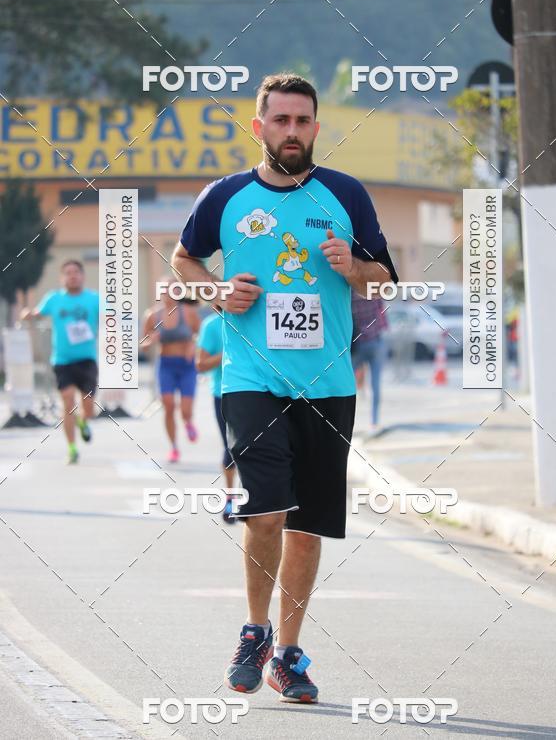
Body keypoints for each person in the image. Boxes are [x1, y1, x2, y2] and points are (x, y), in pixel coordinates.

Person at [172, 73, 398, 704]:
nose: (292, 132)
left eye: (303, 121)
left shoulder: (346, 194)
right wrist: (214, 292)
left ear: (316, 128)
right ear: (259, 126)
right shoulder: (227, 196)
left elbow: (385, 279)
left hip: (328, 385)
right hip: (251, 380)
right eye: (281, 121)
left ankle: (289, 653)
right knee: (265, 509)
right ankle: (254, 630)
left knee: (307, 525)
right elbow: (185, 257)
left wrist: (353, 268)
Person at [20, 260, 99, 465]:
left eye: (76, 272)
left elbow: (110, 316)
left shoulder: (94, 299)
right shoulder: (54, 299)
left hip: (87, 360)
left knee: (88, 408)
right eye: (68, 273)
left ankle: (84, 421)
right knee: (67, 401)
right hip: (62, 360)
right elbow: (36, 314)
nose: (72, 276)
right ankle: (72, 448)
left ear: (82, 276)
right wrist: (27, 315)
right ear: (62, 278)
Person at [141, 280, 201, 463]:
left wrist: (193, 345)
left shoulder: (188, 312)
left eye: (173, 289)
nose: (169, 293)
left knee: (185, 410)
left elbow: (201, 335)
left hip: (186, 365)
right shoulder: (152, 315)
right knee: (168, 406)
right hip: (166, 364)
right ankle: (174, 447)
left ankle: (188, 422)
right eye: (165, 289)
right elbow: (142, 345)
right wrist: (150, 341)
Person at [195, 309, 238, 523]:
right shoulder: (212, 325)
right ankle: (231, 497)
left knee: (257, 448)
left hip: (261, 392)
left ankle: (257, 499)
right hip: (224, 393)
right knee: (231, 447)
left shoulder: (257, 320)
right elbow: (201, 364)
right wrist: (229, 352)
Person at [351, 289, 388, 433]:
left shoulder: (351, 293)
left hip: (358, 344)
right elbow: (383, 318)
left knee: (347, 382)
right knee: (375, 385)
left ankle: (347, 421)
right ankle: (374, 422)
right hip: (376, 342)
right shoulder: (375, 292)